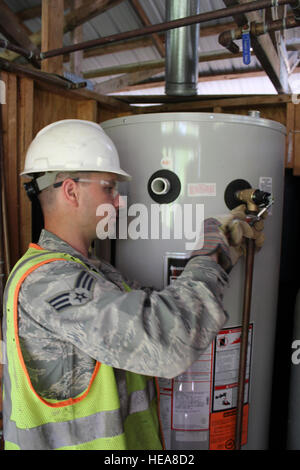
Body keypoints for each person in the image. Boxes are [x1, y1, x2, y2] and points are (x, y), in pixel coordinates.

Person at [2, 119, 264, 450]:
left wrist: (221, 253)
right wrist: (209, 254)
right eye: (109, 188)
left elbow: (159, 305)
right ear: (70, 190)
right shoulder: (47, 282)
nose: (118, 201)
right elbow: (169, 341)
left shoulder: (96, 273)